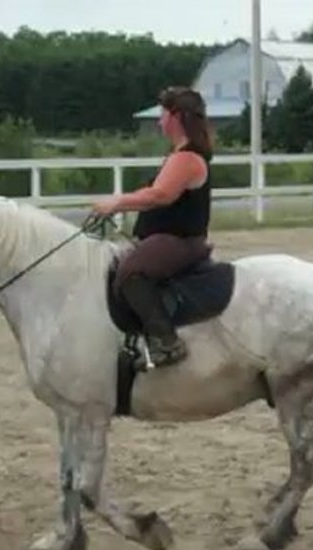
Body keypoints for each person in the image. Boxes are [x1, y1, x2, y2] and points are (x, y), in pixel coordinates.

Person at [91, 86, 214, 368]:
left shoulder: (187, 158)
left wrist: (116, 203)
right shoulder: (181, 155)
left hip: (179, 242)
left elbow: (160, 195)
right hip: (168, 239)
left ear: (176, 117)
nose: (160, 122)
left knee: (130, 272)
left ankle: (166, 341)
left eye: (163, 115)